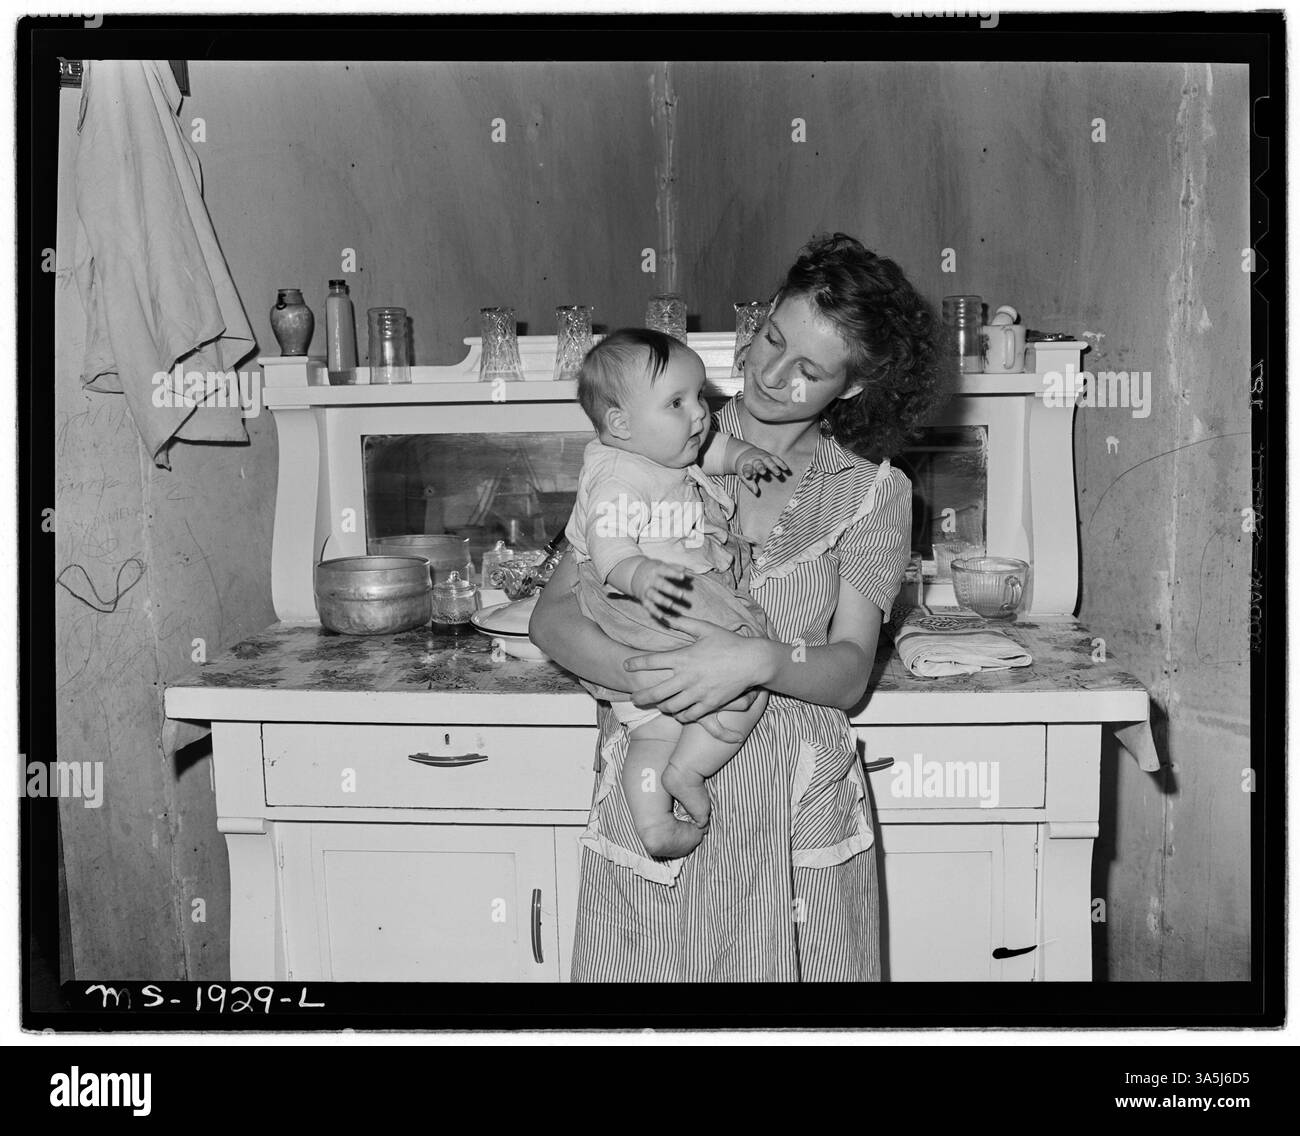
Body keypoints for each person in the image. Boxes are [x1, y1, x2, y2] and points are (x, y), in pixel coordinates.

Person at [531, 234, 947, 981]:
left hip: (794, 820)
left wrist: (756, 659)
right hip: (658, 805)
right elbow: (553, 617)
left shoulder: (873, 495)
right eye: (770, 339)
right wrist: (661, 675)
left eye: (808, 370)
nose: (768, 374)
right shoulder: (653, 447)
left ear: (849, 389)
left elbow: (850, 672)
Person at [565, 328, 790, 857]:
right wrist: (640, 575)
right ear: (620, 423)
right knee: (748, 668)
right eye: (676, 402)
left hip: (649, 604)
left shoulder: (658, 449)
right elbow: (611, 549)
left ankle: (654, 823)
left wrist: (742, 458)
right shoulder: (618, 477)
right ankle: (690, 770)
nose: (699, 415)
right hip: (649, 597)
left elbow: (708, 452)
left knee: (649, 730)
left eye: (700, 398)